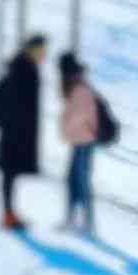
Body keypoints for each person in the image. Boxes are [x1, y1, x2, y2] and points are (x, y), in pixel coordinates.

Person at [0, 34, 48, 231]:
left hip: (18, 133)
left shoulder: (25, 68)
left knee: (10, 174)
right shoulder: (21, 70)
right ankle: (8, 216)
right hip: (14, 134)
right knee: (9, 173)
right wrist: (13, 124)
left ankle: (10, 214)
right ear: (31, 49)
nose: (43, 54)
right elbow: (14, 103)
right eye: (41, 50)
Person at [59, 51, 98, 232]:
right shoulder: (75, 86)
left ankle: (87, 222)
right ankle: (73, 218)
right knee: (73, 180)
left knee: (81, 181)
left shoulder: (80, 88)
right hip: (79, 141)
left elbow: (83, 116)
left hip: (84, 142)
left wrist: (67, 127)